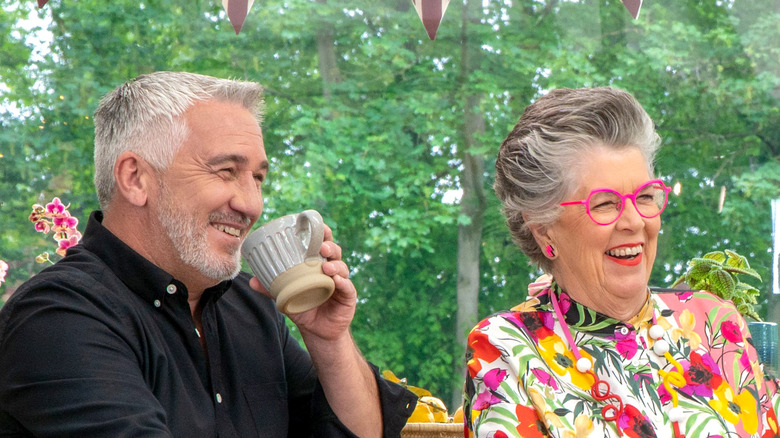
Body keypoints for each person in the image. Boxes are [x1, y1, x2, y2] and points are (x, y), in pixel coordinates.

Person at [0, 71, 416, 437]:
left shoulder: (252, 307)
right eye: (226, 171)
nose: (252, 204)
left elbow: (362, 432)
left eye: (258, 178)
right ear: (135, 178)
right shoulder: (58, 317)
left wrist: (329, 338)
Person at [463, 87, 780, 437]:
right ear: (543, 230)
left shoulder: (716, 325)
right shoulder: (507, 349)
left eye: (644, 196)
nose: (634, 221)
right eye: (604, 204)